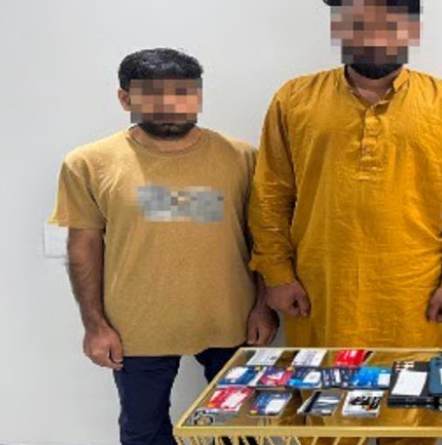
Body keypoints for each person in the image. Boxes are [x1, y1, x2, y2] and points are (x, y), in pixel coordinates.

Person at [251, 0, 442, 350]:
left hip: (417, 293)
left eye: (389, 25)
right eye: (359, 24)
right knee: (323, 384)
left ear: (411, 30)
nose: (374, 37)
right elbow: (270, 194)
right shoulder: (294, 99)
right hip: (319, 291)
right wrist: (277, 274)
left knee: (411, 384)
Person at [50, 48, 277, 445]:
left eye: (184, 93)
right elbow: (83, 247)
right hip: (136, 327)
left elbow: (262, 236)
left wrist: (263, 306)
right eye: (154, 95)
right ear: (125, 99)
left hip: (233, 318)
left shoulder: (241, 157)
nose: (172, 105)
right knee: (143, 432)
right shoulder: (88, 163)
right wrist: (95, 325)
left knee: (240, 431)